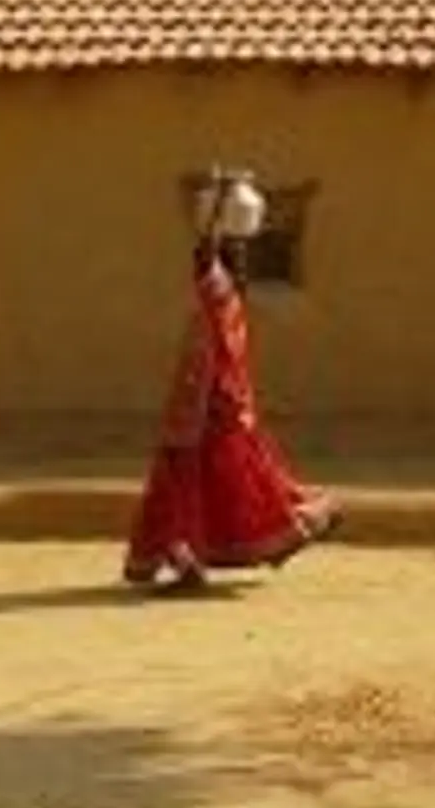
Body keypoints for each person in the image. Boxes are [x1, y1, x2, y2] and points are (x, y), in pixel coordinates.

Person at [123, 206, 338, 593]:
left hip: (210, 413)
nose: (197, 271)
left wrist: (211, 228)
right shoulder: (227, 304)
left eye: (204, 267)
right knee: (213, 489)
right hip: (209, 411)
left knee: (197, 490)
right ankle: (194, 560)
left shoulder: (220, 299)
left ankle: (199, 560)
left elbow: (206, 263)